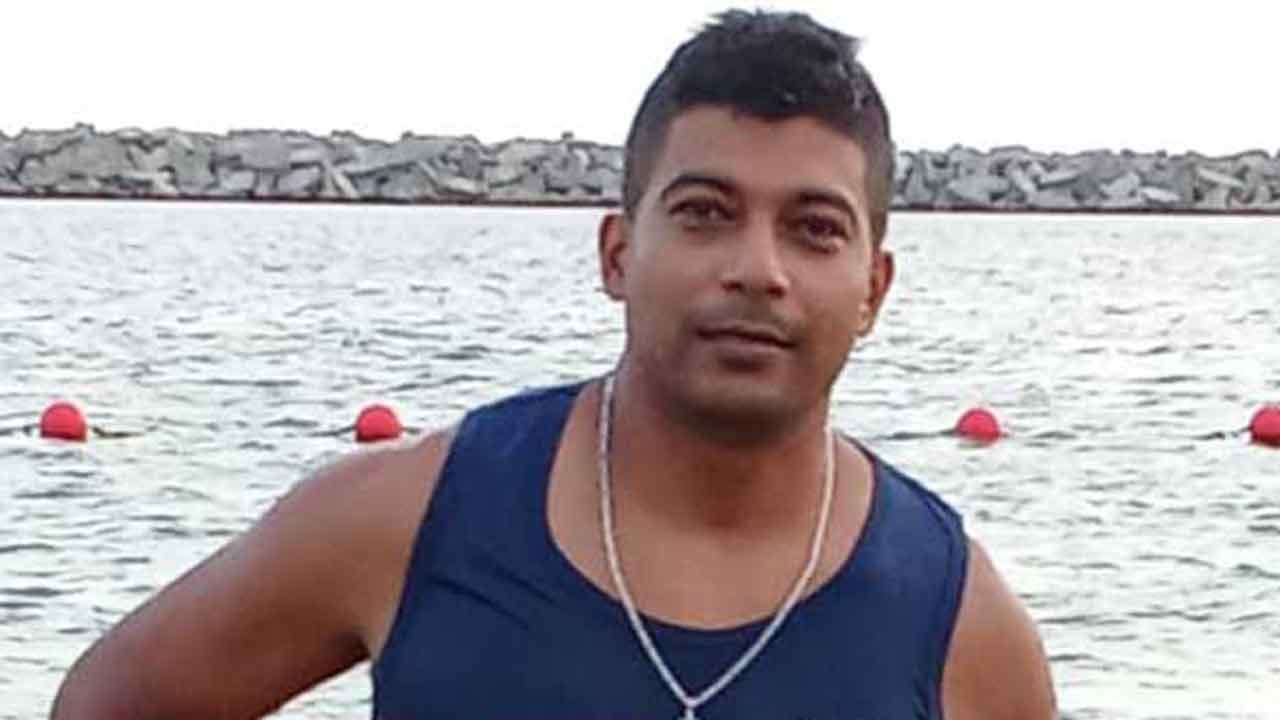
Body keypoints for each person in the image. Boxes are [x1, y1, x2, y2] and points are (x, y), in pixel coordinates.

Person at [52, 9, 1056, 719]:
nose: (758, 269)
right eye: (705, 213)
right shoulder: (407, 519)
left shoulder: (957, 617)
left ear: (873, 288)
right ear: (618, 254)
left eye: (813, 228)